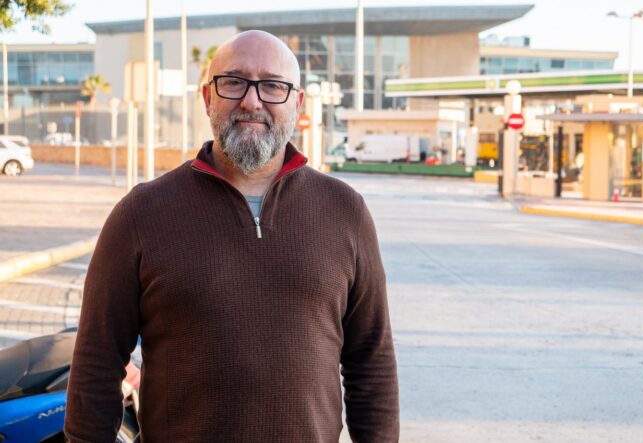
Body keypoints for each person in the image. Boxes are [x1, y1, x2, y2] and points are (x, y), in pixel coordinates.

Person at [64, 30, 399, 442]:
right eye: (234, 82)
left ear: (297, 103)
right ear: (208, 98)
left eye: (272, 85)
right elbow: (98, 360)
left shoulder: (346, 211)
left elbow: (371, 361)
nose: (252, 101)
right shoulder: (141, 214)